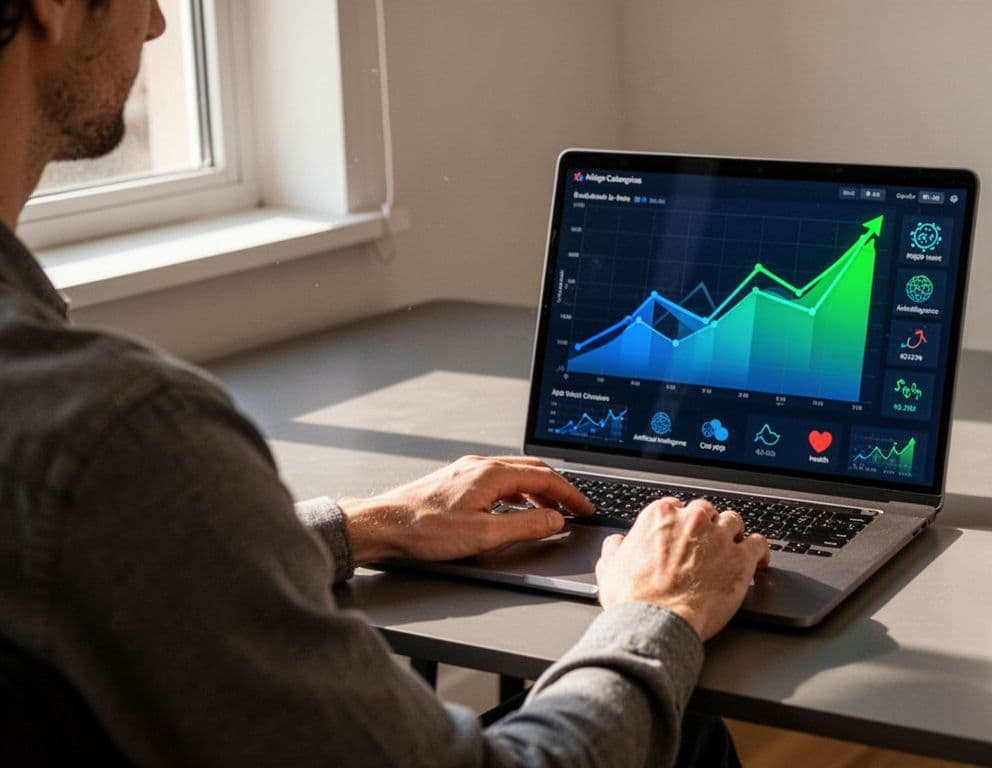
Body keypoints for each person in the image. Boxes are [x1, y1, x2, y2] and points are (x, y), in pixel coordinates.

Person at [0, 1, 770, 765]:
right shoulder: (123, 431)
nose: (161, 24)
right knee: (688, 740)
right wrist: (657, 610)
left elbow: (122, 566)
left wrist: (368, 524)